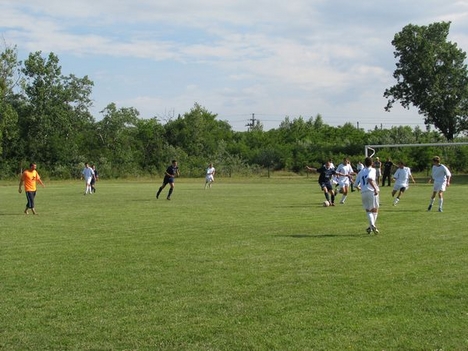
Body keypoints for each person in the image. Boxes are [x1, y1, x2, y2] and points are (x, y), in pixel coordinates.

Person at [354, 157, 380, 234]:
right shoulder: (372, 170)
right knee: (375, 209)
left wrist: (359, 188)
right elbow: (369, 179)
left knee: (368, 210)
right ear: (372, 163)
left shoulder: (360, 172)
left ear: (364, 163)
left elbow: (355, 184)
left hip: (363, 192)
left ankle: (371, 227)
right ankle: (372, 225)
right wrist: (375, 188)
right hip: (371, 191)